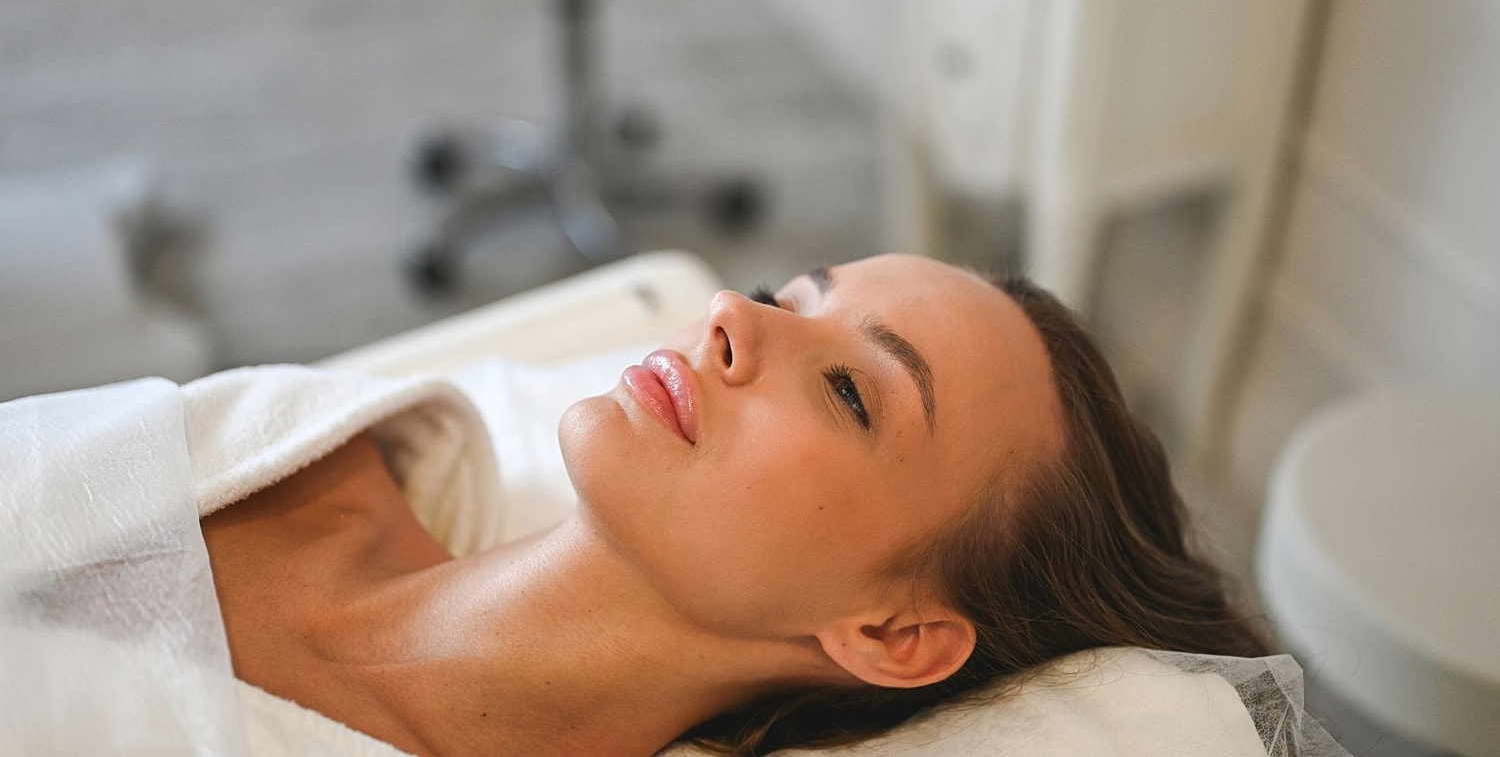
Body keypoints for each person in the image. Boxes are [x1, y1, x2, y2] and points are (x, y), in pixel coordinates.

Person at [200, 253, 1268, 756]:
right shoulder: (313, 462)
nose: (725, 316)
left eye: (851, 388)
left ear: (894, 632)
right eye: (788, 295)